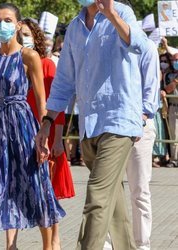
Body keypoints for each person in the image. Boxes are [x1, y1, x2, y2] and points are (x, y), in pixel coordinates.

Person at [35, 0, 148, 249]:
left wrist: (112, 16)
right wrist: (47, 122)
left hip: (119, 122)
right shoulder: (75, 27)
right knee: (113, 205)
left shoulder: (122, 12)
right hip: (89, 125)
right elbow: (64, 80)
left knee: (97, 196)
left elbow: (142, 48)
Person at [0, 3, 65, 250]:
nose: (2, 25)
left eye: (8, 20)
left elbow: (42, 103)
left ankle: (48, 246)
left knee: (34, 186)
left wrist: (44, 137)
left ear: (18, 25)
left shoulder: (28, 56)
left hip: (23, 127)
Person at [21, 18, 75, 250]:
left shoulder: (46, 64)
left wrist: (59, 138)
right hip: (23, 132)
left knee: (48, 191)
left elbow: (57, 104)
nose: (22, 38)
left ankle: (54, 241)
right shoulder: (13, 64)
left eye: (26, 34)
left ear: (36, 36)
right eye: (19, 34)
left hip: (47, 132)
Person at [109, 38, 160, 250]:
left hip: (140, 127)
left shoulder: (146, 46)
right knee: (108, 190)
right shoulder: (104, 45)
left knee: (139, 190)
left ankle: (142, 245)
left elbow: (151, 91)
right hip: (111, 126)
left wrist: (140, 120)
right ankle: (107, 243)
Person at [163, 53, 178, 168]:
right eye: (174, 60)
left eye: (177, 59)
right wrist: (176, 80)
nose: (175, 62)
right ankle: (174, 159)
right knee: (174, 134)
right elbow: (167, 89)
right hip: (174, 107)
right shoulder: (168, 75)